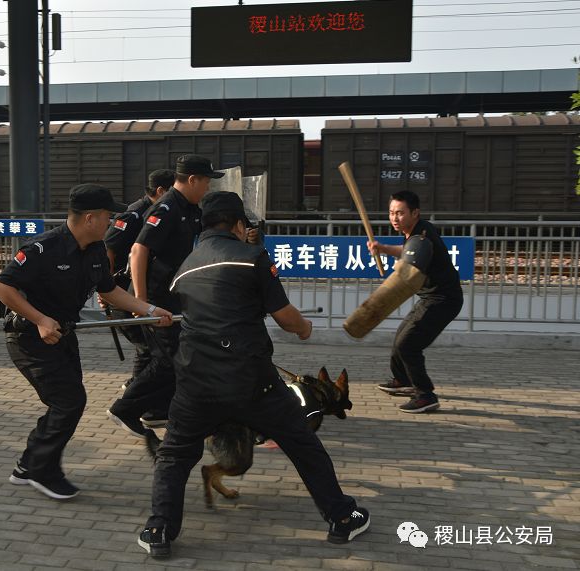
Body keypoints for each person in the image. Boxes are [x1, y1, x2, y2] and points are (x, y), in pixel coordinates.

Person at [137, 191, 369, 559]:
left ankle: (159, 529)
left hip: (196, 383)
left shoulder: (185, 267)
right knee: (303, 446)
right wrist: (304, 328)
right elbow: (285, 316)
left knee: (174, 456)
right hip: (252, 383)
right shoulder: (252, 258)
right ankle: (342, 518)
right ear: (239, 224)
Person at [0, 183, 172, 500]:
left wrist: (150, 310)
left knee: (67, 401)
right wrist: (41, 320)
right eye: (107, 217)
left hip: (63, 336)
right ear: (90, 218)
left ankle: (27, 464)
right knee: (68, 402)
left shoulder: (95, 251)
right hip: (30, 338)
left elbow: (109, 290)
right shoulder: (43, 248)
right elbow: (2, 288)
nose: (112, 223)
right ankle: (42, 470)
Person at [107, 155, 222, 438]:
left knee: (171, 357)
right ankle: (124, 409)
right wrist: (143, 303)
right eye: (206, 182)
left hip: (172, 296)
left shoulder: (192, 209)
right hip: (154, 298)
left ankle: (158, 411)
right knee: (169, 358)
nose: (208, 188)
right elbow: (138, 251)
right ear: (192, 180)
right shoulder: (167, 207)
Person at [367, 190, 463, 413]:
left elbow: (412, 261)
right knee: (401, 336)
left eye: (400, 213)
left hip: (443, 299)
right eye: (391, 213)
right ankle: (403, 380)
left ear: (415, 213)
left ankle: (425, 395)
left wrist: (400, 269)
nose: (394, 218)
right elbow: (405, 250)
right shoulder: (414, 231)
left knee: (408, 344)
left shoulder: (423, 237)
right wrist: (382, 248)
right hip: (431, 296)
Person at [101, 169, 176, 393]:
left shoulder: (162, 211)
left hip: (138, 292)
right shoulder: (134, 214)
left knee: (147, 349)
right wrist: (104, 288)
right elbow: (108, 251)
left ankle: (135, 391)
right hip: (125, 293)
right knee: (148, 349)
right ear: (161, 190)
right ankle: (135, 396)